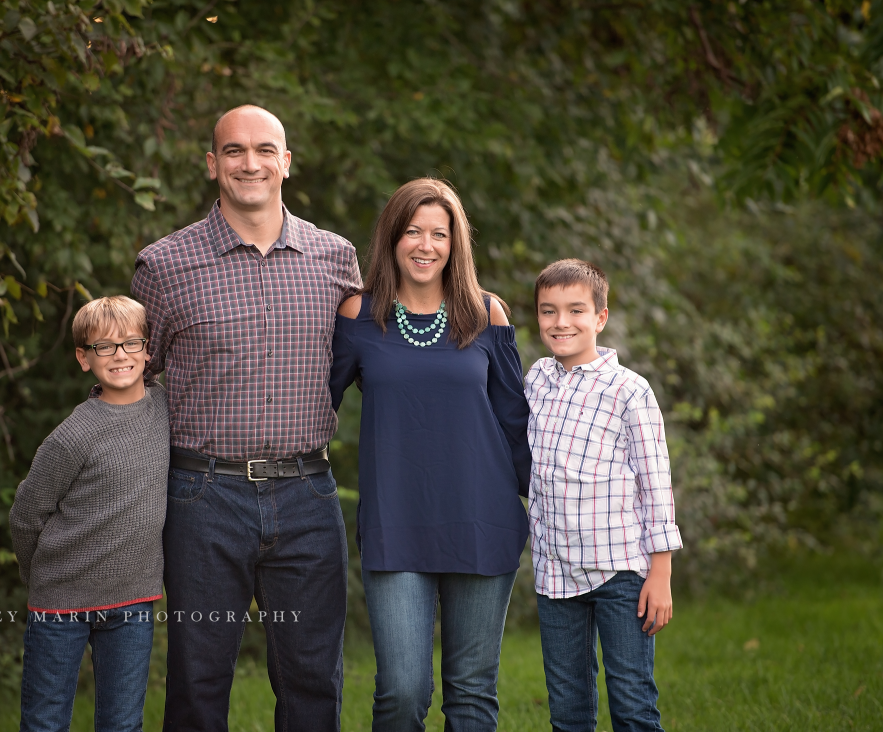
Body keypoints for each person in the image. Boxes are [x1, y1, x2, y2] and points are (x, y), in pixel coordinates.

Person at [132, 105, 361, 731]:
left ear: (286, 162)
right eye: (234, 151)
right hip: (203, 494)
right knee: (198, 677)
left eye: (265, 149)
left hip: (308, 492)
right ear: (213, 165)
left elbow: (382, 361)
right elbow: (132, 385)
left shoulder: (335, 260)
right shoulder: (165, 266)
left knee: (313, 678)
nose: (250, 163)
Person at [330, 178, 531, 731]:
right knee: (402, 689)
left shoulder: (487, 315)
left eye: (439, 234)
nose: (425, 245)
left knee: (471, 694)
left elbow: (517, 425)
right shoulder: (359, 315)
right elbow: (312, 405)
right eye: (413, 231)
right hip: (397, 523)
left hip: (482, 518)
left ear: (455, 243)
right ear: (392, 238)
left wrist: (549, 504)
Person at [525, 259, 683, 732]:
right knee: (568, 708)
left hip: (621, 572)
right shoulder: (536, 379)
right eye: (548, 311)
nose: (561, 322)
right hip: (556, 573)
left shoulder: (629, 391)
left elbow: (655, 483)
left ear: (601, 317)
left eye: (576, 310)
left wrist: (661, 573)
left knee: (632, 703)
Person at [9, 295, 169, 732]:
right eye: (104, 347)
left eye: (131, 343)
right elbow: (26, 516)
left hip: (133, 601)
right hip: (60, 603)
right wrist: (39, 577)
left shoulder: (166, 411)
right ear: (84, 358)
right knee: (45, 721)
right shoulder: (72, 436)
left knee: (122, 724)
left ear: (148, 350)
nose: (120, 355)